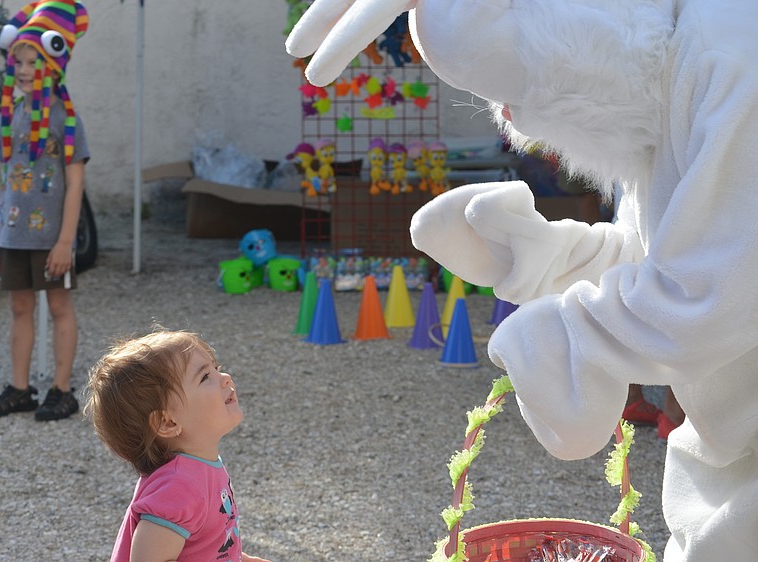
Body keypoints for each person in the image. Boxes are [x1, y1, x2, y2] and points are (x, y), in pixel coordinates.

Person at [287, 1, 758, 560]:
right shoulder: (658, 61)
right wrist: (546, 257)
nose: (517, 119)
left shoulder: (732, 58)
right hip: (724, 467)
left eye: (528, 91)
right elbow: (658, 253)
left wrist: (562, 339)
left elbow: (717, 293)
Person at [0, 0, 90, 421]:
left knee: (59, 307)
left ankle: (62, 389)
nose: (23, 69)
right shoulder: (7, 115)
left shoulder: (66, 119)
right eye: (17, 61)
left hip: (50, 238)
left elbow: (76, 181)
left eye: (32, 61)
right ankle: (20, 388)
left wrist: (65, 240)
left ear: (53, 64)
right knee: (19, 308)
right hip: (11, 234)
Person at [83, 330, 269, 562]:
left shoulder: (198, 466)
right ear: (168, 422)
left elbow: (204, 545)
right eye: (205, 377)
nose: (226, 377)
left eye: (216, 368)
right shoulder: (178, 486)